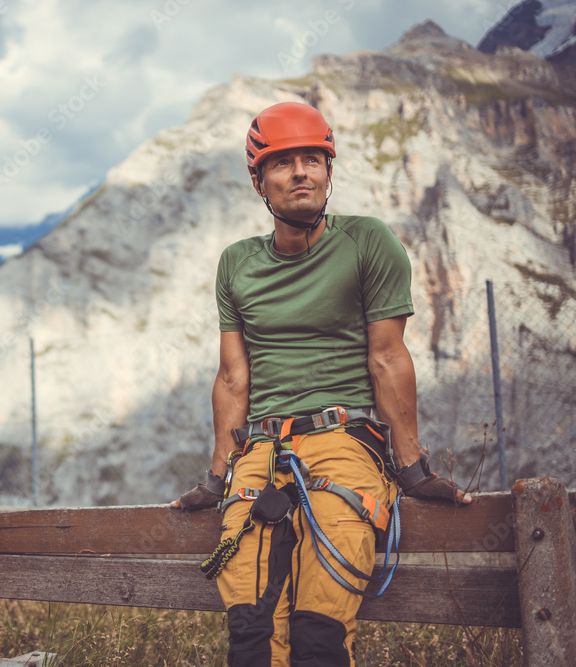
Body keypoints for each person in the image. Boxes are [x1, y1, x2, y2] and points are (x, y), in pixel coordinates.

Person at [171, 101, 472, 667]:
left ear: (330, 173)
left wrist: (412, 468)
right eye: (283, 164)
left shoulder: (367, 242)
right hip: (260, 453)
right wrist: (217, 480)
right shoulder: (236, 263)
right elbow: (234, 377)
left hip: (343, 447)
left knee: (318, 639)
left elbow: (387, 359)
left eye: (314, 160)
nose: (302, 173)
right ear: (259, 180)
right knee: (253, 639)